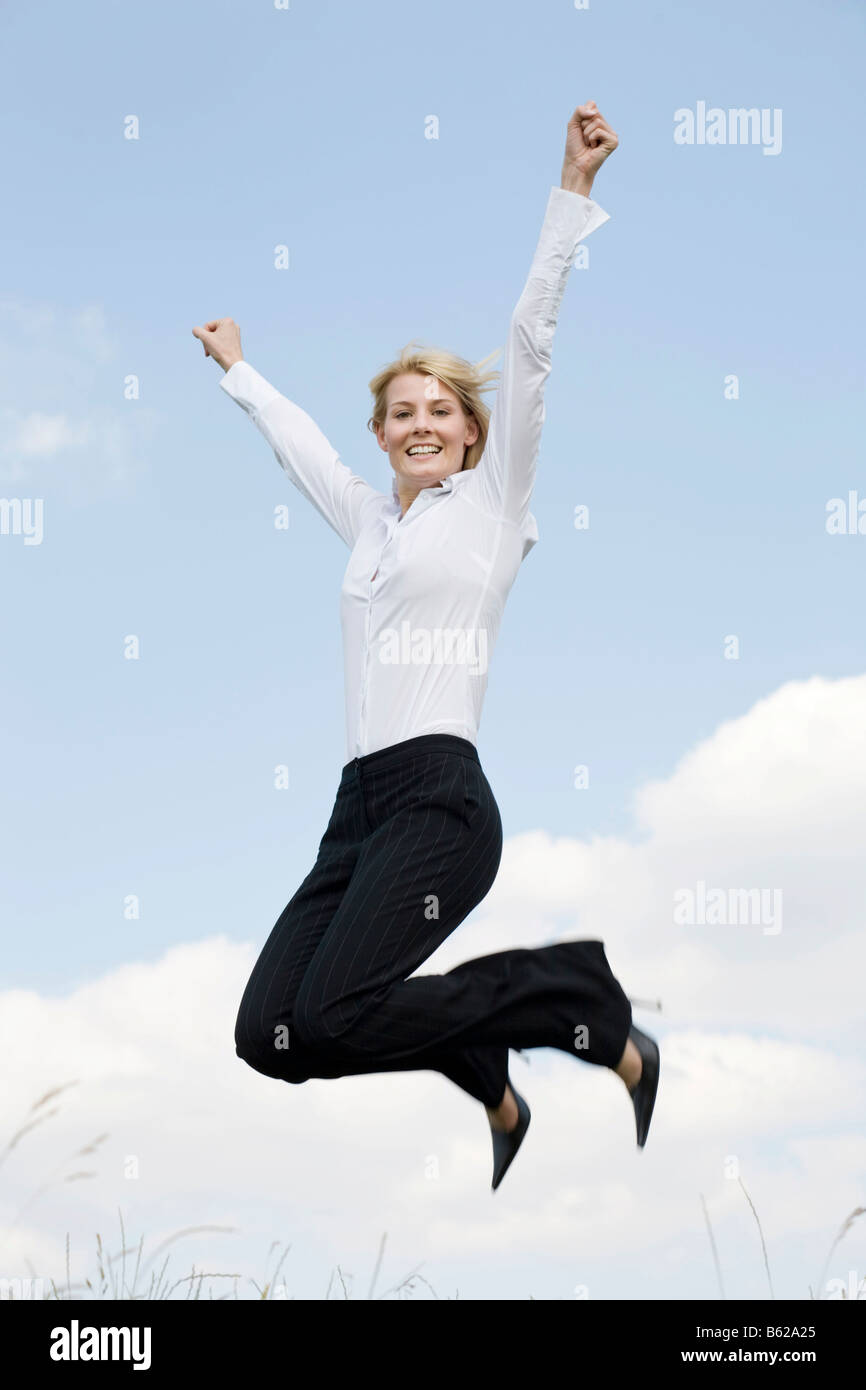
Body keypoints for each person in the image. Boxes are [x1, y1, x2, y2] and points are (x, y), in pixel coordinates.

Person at [192, 100, 659, 1193]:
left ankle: (572, 991)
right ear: (383, 433)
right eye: (399, 411)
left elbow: (529, 344)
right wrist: (239, 370)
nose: (417, 423)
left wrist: (570, 193)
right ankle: (484, 1071)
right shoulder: (371, 523)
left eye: (438, 410)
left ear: (468, 431)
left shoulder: (494, 506)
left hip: (441, 805)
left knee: (334, 1008)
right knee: (274, 1036)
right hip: (355, 810)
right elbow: (302, 452)